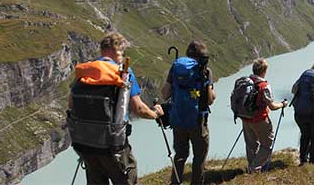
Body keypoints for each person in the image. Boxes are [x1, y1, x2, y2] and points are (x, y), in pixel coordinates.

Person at [68, 32, 164, 185]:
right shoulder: (123, 72)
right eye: (122, 52)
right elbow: (138, 108)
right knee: (126, 177)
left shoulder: (86, 71)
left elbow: (71, 105)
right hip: (113, 145)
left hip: (86, 144)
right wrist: (155, 114)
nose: (122, 56)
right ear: (116, 50)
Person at [162, 40, 216, 185]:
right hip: (198, 121)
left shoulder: (176, 68)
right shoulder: (205, 71)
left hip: (178, 119)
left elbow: (165, 94)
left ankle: (176, 182)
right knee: (199, 155)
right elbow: (210, 99)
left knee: (180, 155)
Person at [241, 58, 288, 173]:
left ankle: (252, 168)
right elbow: (271, 106)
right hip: (260, 119)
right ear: (264, 71)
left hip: (246, 118)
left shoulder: (246, 81)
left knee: (251, 144)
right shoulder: (264, 85)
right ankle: (254, 168)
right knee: (267, 144)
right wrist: (282, 104)